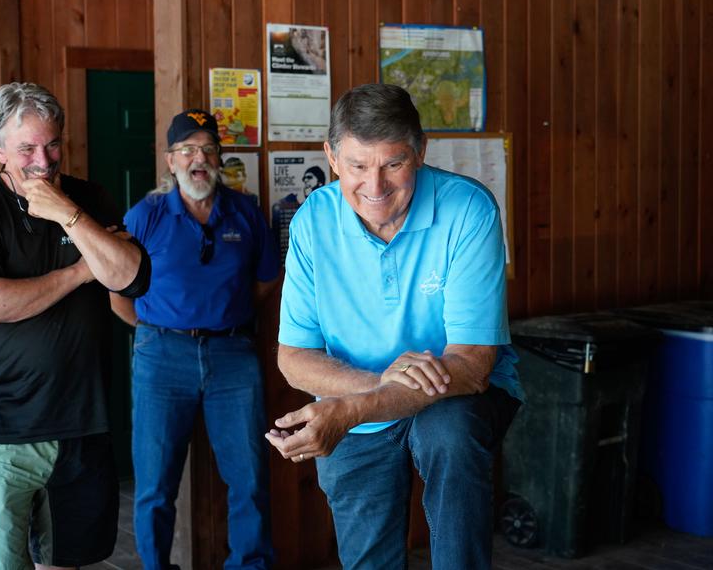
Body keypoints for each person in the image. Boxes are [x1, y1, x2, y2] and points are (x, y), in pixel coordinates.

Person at [265, 83, 522, 569]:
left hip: (457, 397)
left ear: (421, 151)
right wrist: (377, 392)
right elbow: (294, 358)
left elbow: (471, 366)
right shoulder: (311, 223)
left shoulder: (468, 208)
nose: (375, 186)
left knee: (449, 434)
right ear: (332, 158)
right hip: (357, 403)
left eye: (393, 164)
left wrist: (356, 407)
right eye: (358, 166)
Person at [0, 82, 150, 570]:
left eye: (52, 143)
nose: (44, 159)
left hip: (83, 424)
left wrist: (67, 214)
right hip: (0, 430)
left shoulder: (89, 198)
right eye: (27, 148)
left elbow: (130, 277)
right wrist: (83, 269)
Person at [110, 109, 278, 570]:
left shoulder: (245, 212)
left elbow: (264, 282)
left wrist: (226, 318)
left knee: (249, 477)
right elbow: (117, 295)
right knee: (155, 485)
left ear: (219, 159)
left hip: (233, 355)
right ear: (170, 161)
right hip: (161, 357)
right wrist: (155, 331)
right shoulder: (144, 216)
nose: (197, 159)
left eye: (207, 150)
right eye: (187, 150)